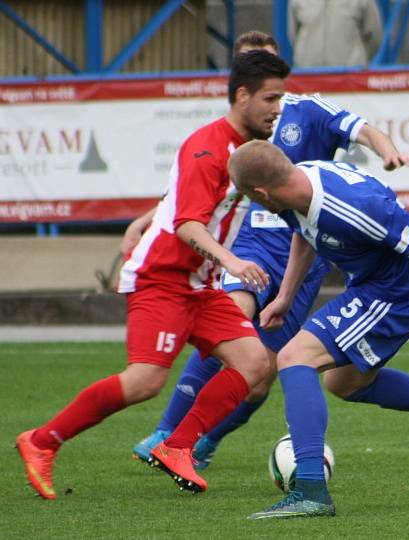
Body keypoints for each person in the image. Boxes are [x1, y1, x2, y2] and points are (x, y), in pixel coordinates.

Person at [128, 30, 409, 470]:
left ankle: (203, 442)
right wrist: (149, 218)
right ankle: (167, 432)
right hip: (249, 241)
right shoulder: (231, 132)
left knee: (262, 369)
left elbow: (363, 129)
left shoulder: (309, 110)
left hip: (300, 249)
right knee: (234, 316)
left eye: (266, 65)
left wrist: (389, 150)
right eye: (248, 65)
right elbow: (199, 194)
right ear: (240, 87)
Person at [15, 50, 291, 499]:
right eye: (271, 98)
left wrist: (146, 218)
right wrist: (233, 261)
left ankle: (178, 446)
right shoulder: (209, 148)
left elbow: (179, 198)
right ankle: (42, 441)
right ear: (242, 96)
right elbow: (187, 224)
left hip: (199, 286)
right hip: (162, 279)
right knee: (145, 380)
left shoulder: (241, 150)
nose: (278, 108)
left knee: (256, 362)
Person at [228, 141, 409, 519]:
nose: (253, 205)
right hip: (372, 285)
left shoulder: (353, 208)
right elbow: (304, 232)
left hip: (397, 291)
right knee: (345, 384)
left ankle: (311, 489)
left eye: (249, 198)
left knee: (295, 358)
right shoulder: (294, 185)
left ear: (261, 192)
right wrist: (285, 297)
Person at [288, 0, 382, 68]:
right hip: (309, 76)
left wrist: (357, 61)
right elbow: (293, 35)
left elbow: (373, 35)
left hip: (350, 77)